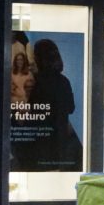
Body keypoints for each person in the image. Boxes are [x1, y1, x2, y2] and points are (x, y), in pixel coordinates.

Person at [28, 38, 82, 170]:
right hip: (60, 138)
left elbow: (30, 110)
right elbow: (71, 108)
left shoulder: (36, 81)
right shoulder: (64, 81)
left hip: (40, 139)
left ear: (39, 57)